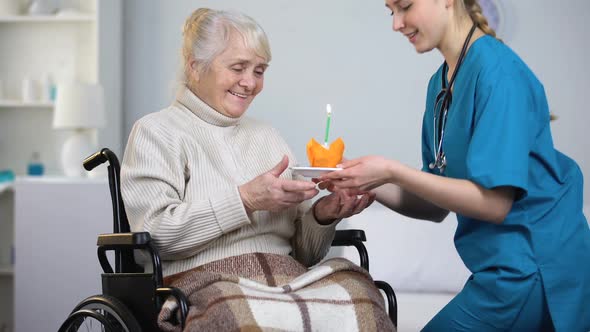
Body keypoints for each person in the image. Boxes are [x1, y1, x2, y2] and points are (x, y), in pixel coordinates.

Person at [320, 0, 590, 331]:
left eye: (405, 6)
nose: (396, 23)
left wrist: (392, 170)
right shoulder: (441, 84)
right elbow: (436, 205)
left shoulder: (498, 72)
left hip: (535, 266)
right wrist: (364, 179)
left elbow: (494, 203)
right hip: (500, 270)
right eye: (391, 11)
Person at [121, 8, 395, 332]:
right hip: (207, 284)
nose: (250, 83)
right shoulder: (156, 132)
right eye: (238, 67)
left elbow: (306, 253)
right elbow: (155, 235)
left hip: (286, 281)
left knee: (362, 296)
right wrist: (246, 200)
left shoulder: (268, 137)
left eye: (260, 70)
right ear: (195, 67)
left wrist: (324, 214)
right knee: (239, 318)